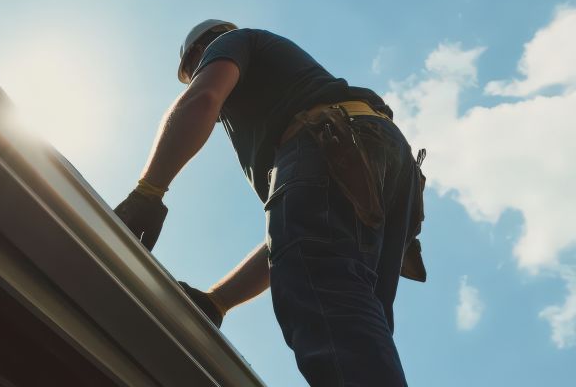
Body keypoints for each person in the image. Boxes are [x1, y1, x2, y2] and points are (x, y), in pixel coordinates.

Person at [114, 19, 427, 386]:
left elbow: (203, 99)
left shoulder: (233, 42)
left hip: (333, 140)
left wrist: (148, 193)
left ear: (201, 52)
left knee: (332, 303)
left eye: (195, 70)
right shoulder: (284, 87)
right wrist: (218, 301)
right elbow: (293, 241)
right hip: (387, 164)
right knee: (355, 316)